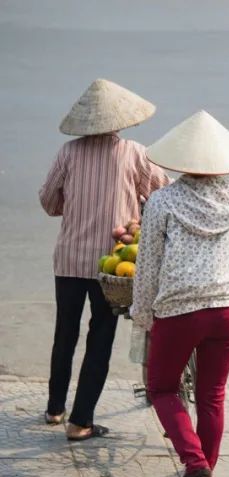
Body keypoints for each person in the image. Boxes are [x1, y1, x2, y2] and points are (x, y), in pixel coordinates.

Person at [130, 111, 229, 477]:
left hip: (179, 310)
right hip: (227, 309)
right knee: (212, 395)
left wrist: (142, 314)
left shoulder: (163, 200)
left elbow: (147, 263)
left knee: (162, 386)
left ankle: (194, 464)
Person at [39, 78, 170, 440]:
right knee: (101, 336)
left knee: (64, 332)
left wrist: (76, 208)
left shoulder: (68, 152)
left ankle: (54, 408)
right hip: (114, 266)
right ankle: (80, 421)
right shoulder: (135, 153)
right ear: (120, 121)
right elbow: (166, 196)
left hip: (68, 260)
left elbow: (49, 201)